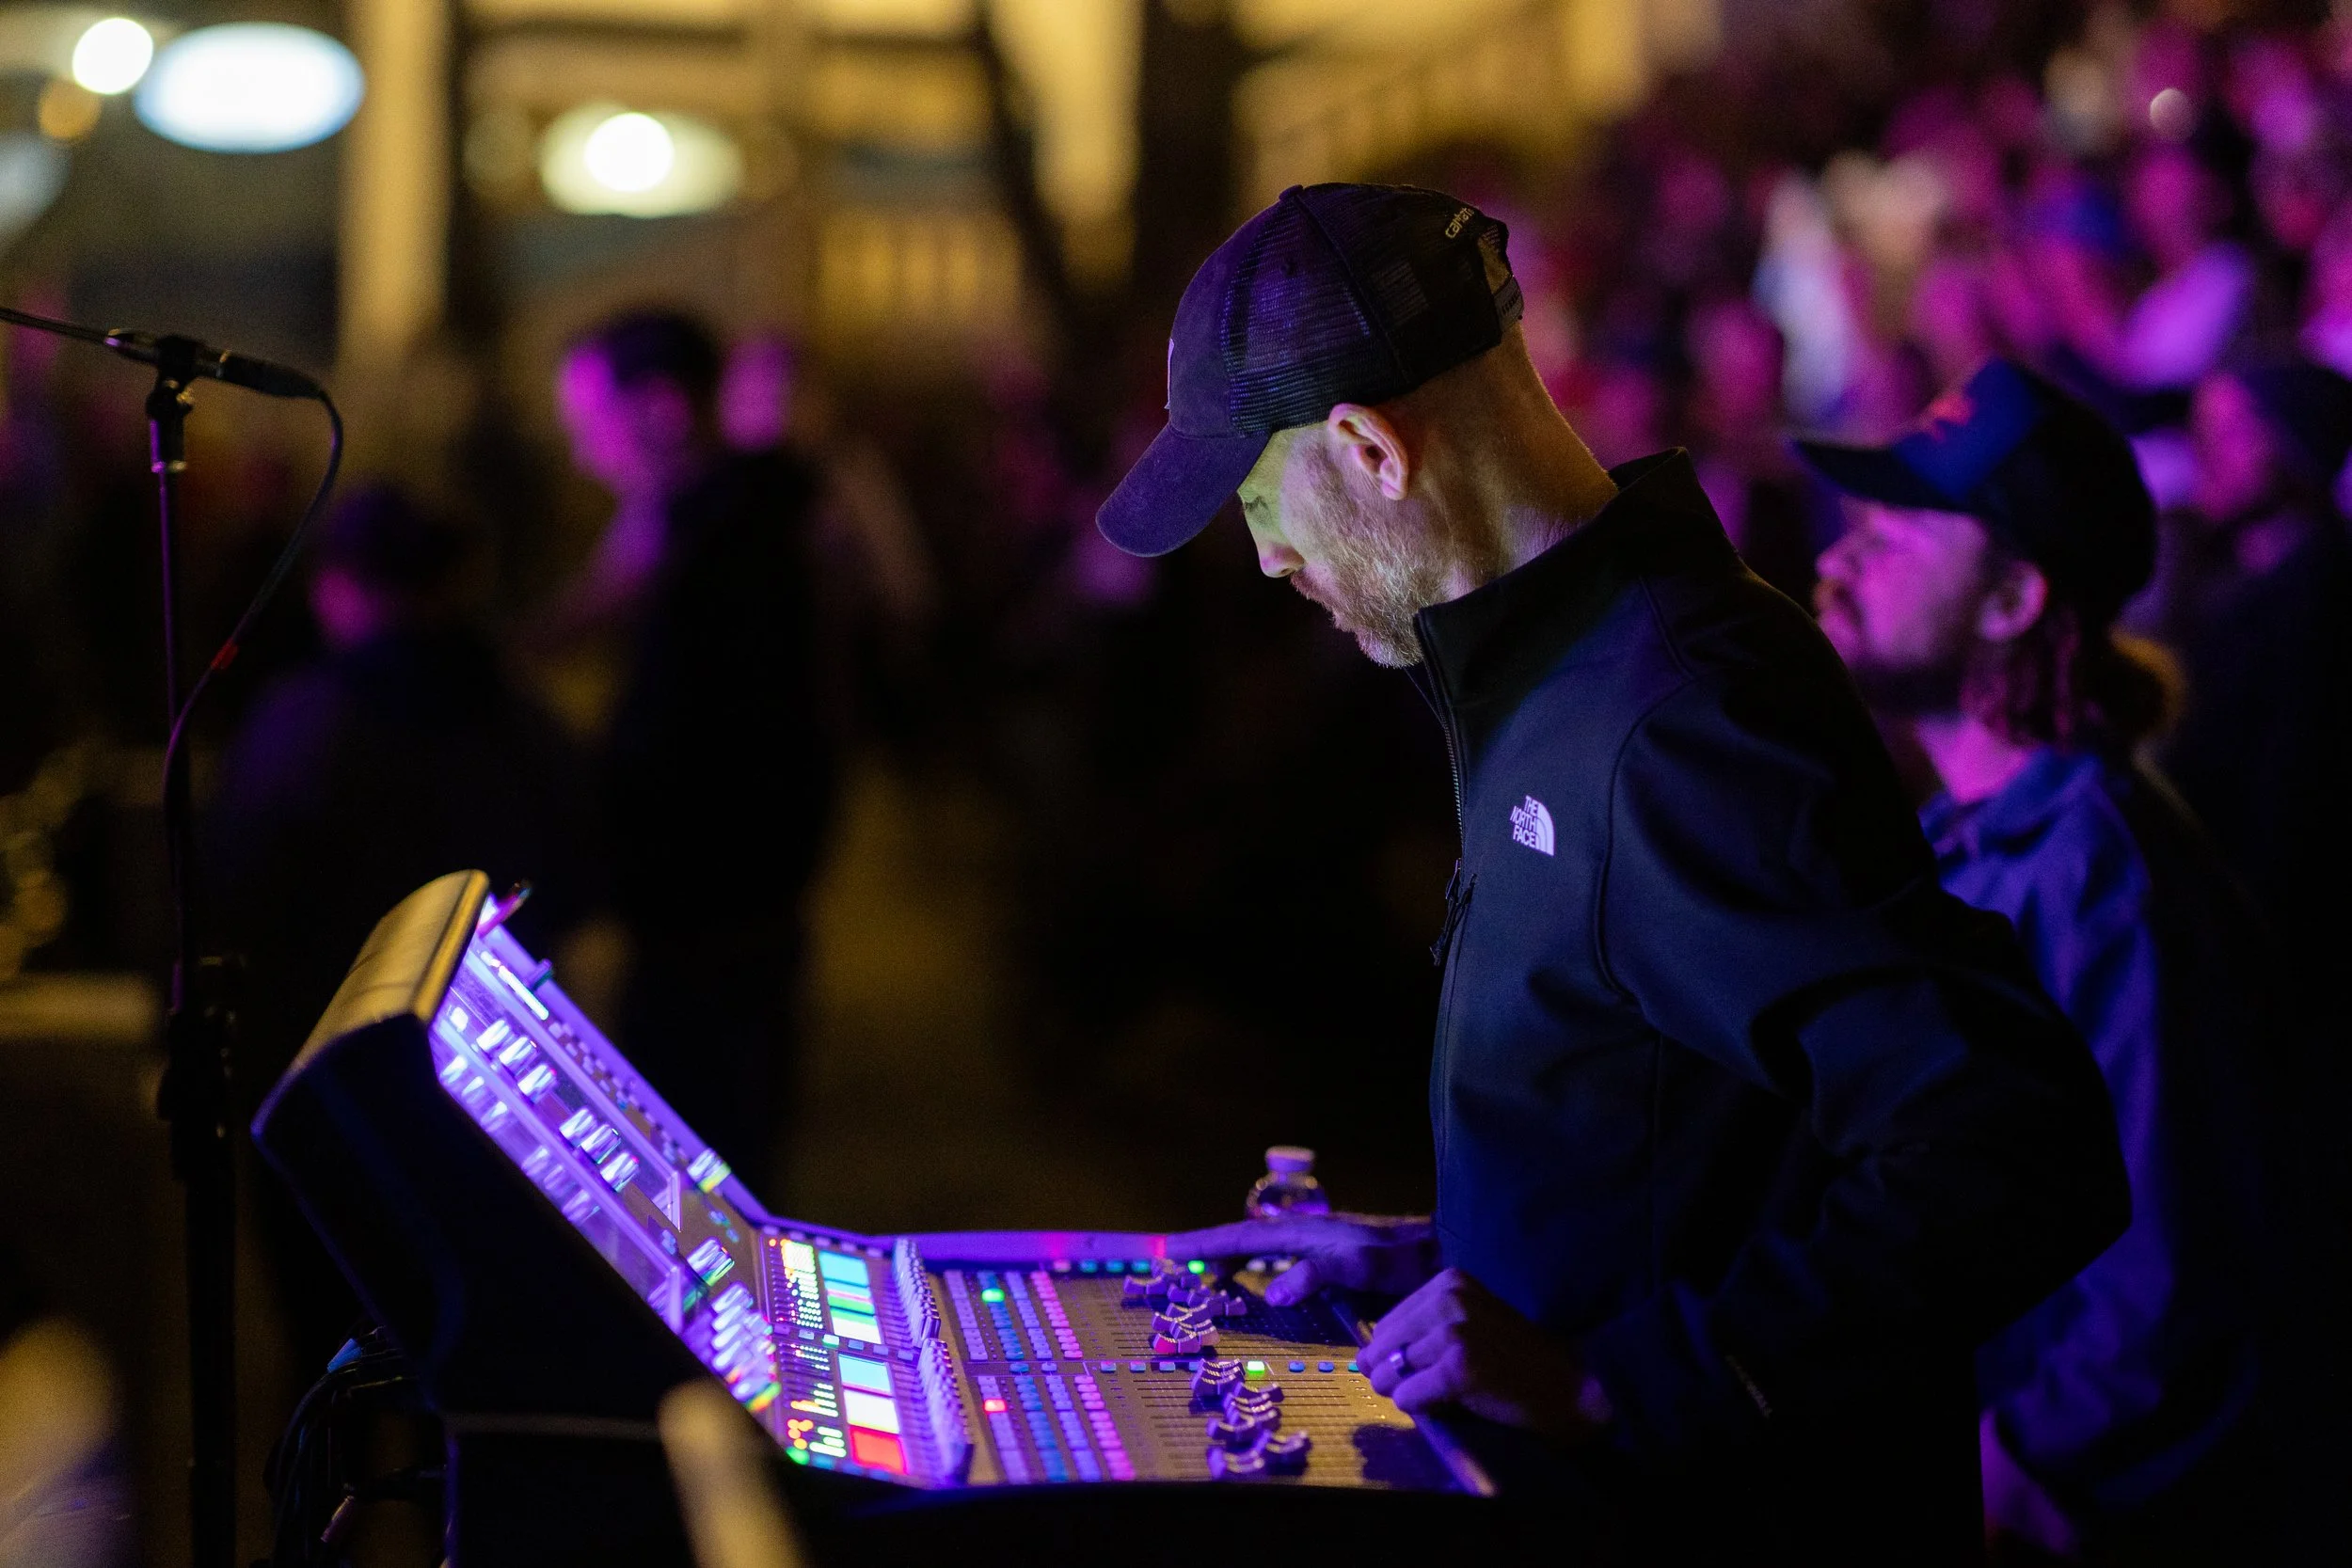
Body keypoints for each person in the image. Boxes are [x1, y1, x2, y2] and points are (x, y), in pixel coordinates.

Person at [1110, 183, 2128, 1563]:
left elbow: (2013, 1143)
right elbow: (1690, 1146)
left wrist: (1626, 1377)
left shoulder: (1678, 718)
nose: (1271, 553)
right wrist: (1449, 1262)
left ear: (1366, 446)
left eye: (1256, 496)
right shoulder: (1559, 671)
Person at [1804, 360, 2280, 1561]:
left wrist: (2015, 1477)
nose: (1839, 560)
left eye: (1899, 529)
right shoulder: (1960, 836)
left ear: (2014, 595)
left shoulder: (2101, 872)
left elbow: (2163, 1283)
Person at [210, 483, 598, 1364]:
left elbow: (234, 895)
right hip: (490, 1086)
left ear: (339, 588)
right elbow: (574, 879)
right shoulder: (523, 722)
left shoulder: (299, 724)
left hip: (323, 1093)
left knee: (327, 1348)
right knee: (466, 1347)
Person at [548, 310, 836, 1195]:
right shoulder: (728, 525)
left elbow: (704, 748)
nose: (583, 455)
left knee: (700, 1200)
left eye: (591, 425)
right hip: (725, 916)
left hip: (709, 926)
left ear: (663, 408)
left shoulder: (725, 548)